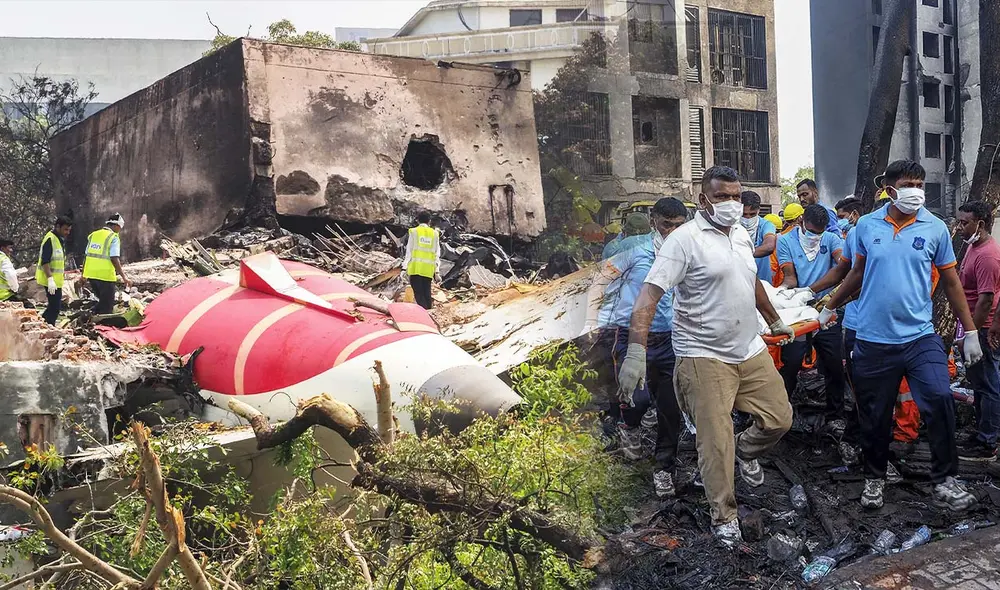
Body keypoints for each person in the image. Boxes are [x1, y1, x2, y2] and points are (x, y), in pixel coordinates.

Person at [619, 165, 795, 545]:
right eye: (721, 197)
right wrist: (636, 350)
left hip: (749, 348)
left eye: (736, 196)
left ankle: (744, 453)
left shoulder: (743, 237)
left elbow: (751, 283)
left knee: (779, 418)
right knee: (715, 442)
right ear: (703, 200)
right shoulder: (683, 241)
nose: (731, 204)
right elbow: (649, 296)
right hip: (703, 355)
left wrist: (775, 320)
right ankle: (724, 516)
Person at [820, 159, 981, 511]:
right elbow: (856, 271)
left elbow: (951, 281)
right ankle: (875, 478)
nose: (917, 191)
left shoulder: (936, 228)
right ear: (890, 189)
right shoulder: (865, 225)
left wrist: (970, 331)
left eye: (921, 185)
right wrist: (831, 305)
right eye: (910, 184)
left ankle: (945, 479)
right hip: (874, 340)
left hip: (920, 337)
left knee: (939, 397)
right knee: (875, 417)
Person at [585, 198, 689, 497]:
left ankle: (664, 468)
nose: (672, 231)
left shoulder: (688, 252)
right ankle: (629, 427)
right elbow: (600, 280)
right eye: (667, 224)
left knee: (671, 408)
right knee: (637, 399)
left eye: (679, 226)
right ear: (654, 220)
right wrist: (593, 321)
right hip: (631, 335)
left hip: (672, 339)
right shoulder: (632, 249)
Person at [777, 204, 847, 432]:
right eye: (811, 231)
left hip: (826, 308)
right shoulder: (785, 241)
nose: (815, 236)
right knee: (791, 363)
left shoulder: (831, 240)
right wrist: (789, 294)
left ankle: (835, 414)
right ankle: (782, 413)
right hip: (798, 312)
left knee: (834, 363)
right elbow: (789, 276)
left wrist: (815, 291)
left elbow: (842, 264)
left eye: (819, 232)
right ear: (800, 223)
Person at [957, 200, 1000, 460]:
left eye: (964, 222)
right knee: (980, 383)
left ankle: (988, 443)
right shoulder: (974, 246)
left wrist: (971, 334)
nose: (960, 227)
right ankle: (982, 432)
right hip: (975, 325)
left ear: (980, 224)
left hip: (981, 328)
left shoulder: (987, 256)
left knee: (988, 384)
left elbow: (986, 299)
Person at [83, 213, 130, 315]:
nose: (119, 231)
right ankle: (101, 327)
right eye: (120, 228)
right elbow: (114, 258)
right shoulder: (113, 237)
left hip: (91, 276)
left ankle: (88, 316)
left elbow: (86, 256)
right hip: (105, 276)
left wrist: (83, 275)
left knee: (103, 303)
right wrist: (124, 276)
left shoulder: (93, 235)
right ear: (117, 226)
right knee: (107, 307)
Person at [36, 215, 72, 325]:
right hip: (50, 280)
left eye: (69, 230)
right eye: (65, 229)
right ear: (57, 227)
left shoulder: (58, 239)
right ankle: (46, 326)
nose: (67, 232)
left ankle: (42, 325)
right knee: (55, 308)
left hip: (56, 281)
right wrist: (50, 279)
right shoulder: (50, 239)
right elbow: (45, 261)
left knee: (54, 307)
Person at [403, 211, 440, 310]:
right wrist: (437, 271)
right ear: (429, 221)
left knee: (419, 294)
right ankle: (429, 313)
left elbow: (409, 251)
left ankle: (424, 314)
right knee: (427, 293)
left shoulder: (414, 232)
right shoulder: (435, 234)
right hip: (428, 269)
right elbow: (437, 253)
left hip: (416, 268)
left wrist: (404, 267)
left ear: (417, 220)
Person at [741, 191, 777, 284]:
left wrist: (739, 255)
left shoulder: (766, 225)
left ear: (758, 210)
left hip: (763, 282)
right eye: (744, 214)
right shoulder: (732, 226)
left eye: (752, 214)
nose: (748, 218)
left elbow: (769, 246)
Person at [0, 239, 21, 304]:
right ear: (2, 248)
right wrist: (15, 289)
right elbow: (10, 275)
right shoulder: (4, 259)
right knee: (29, 308)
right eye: (9, 248)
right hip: (4, 296)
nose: (11, 250)